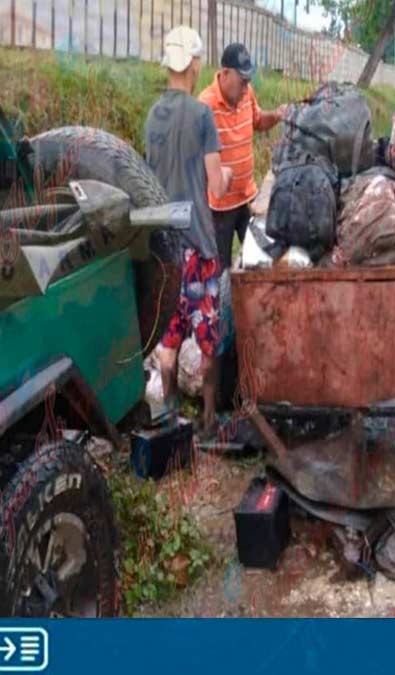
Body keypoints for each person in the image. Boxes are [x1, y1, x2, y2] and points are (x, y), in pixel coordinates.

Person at [144, 26, 233, 431]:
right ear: (194, 63)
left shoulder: (151, 116)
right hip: (198, 244)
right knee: (209, 340)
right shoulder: (201, 114)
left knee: (167, 341)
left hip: (164, 247)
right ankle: (210, 422)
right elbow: (216, 184)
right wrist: (227, 175)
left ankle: (172, 419)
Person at [198, 43, 286, 271]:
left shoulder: (247, 95)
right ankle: (226, 306)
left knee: (261, 258)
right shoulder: (205, 106)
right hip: (220, 208)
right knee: (222, 270)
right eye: (242, 81)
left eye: (249, 82)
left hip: (248, 198)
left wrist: (276, 116)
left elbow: (258, 121)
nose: (246, 88)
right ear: (225, 73)